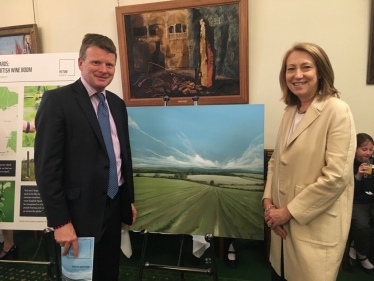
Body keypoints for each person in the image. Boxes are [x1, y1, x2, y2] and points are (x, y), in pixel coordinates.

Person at [34, 33, 136, 280]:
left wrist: (127, 200)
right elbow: (47, 168)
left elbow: (122, 156)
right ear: (80, 63)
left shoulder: (117, 104)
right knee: (79, 277)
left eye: (109, 64)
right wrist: (60, 222)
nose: (104, 70)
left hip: (113, 206)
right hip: (77, 214)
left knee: (108, 271)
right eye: (96, 63)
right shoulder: (57, 101)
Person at [262, 42, 356, 281]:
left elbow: (336, 177)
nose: (297, 75)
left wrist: (287, 212)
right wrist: (268, 203)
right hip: (281, 227)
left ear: (321, 72)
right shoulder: (289, 112)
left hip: (312, 226)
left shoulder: (337, 110)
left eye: (306, 67)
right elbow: (275, 162)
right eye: (290, 69)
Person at [349, 133, 374, 276]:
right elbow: (350, 192)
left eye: (371, 149)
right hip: (357, 201)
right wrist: (358, 176)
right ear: (356, 149)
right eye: (364, 149)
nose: (368, 152)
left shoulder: (373, 162)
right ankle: (363, 256)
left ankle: (355, 244)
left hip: (372, 200)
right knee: (361, 225)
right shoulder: (349, 164)